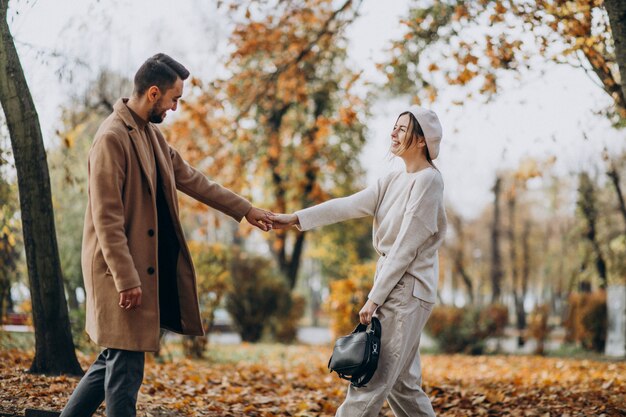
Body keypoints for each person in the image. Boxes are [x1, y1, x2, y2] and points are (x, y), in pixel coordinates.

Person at [60, 53, 273, 417]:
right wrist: (126, 280)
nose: (176, 108)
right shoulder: (111, 138)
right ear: (154, 93)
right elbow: (106, 219)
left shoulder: (151, 136)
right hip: (117, 272)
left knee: (113, 359)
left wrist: (246, 210)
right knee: (125, 375)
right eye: (175, 99)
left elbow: (193, 180)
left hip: (137, 270)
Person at [271, 107, 447, 417]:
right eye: (394, 127)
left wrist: (374, 298)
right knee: (403, 386)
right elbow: (348, 206)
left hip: (407, 290)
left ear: (421, 140)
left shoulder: (428, 181)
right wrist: (296, 219)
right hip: (397, 285)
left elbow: (405, 248)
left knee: (370, 383)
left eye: (402, 129)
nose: (393, 133)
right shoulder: (392, 179)